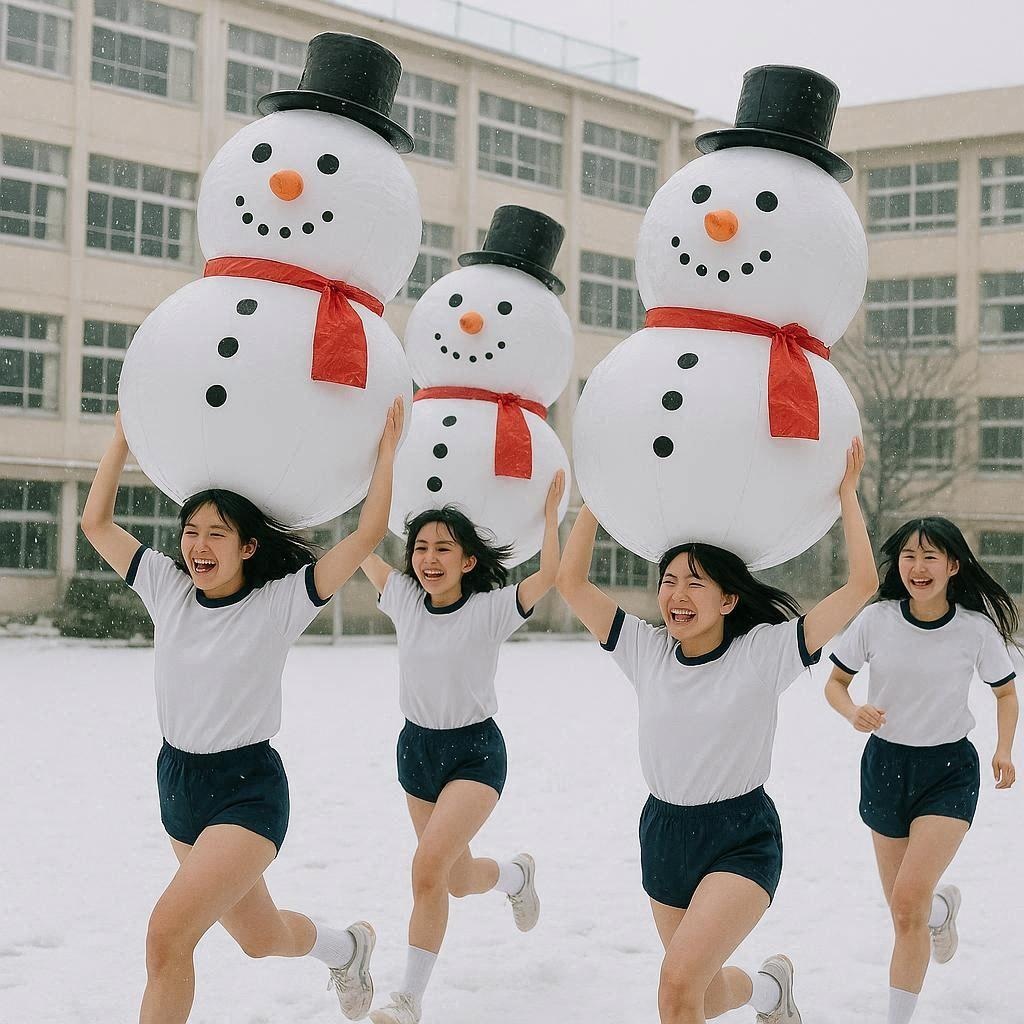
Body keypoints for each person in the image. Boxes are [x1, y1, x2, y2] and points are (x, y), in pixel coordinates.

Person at [80, 399, 404, 1024]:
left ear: (248, 546)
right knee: (258, 938)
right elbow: (96, 523)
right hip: (177, 781)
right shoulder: (168, 587)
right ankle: (348, 948)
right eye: (191, 531)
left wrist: (384, 458)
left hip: (245, 790)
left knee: (166, 937)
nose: (198, 546)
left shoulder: (279, 604)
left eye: (216, 533)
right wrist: (124, 436)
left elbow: (364, 537)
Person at [556, 439, 877, 1024]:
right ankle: (769, 993)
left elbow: (860, 587)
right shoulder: (647, 651)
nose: (676, 595)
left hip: (739, 835)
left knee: (676, 986)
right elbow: (571, 583)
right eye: (669, 580)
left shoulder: (764, 654)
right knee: (694, 995)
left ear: (729, 598)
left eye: (695, 583)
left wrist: (849, 497)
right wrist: (598, 499)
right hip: (664, 831)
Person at [359, 471, 564, 1024]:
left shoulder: (490, 609)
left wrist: (550, 520)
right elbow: (360, 545)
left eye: (443, 548)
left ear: (468, 560)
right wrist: (371, 474)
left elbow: (548, 575)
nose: (429, 557)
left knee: (427, 869)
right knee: (452, 876)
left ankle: (408, 999)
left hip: (475, 754)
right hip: (416, 751)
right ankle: (515, 877)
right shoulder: (401, 596)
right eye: (420, 547)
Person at [824, 515, 1018, 1024]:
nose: (917, 566)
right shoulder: (877, 620)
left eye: (930, 556)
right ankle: (941, 912)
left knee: (906, 902)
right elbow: (835, 685)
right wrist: (853, 712)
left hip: (949, 769)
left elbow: (1005, 693)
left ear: (954, 565)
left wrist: (1003, 749)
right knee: (905, 909)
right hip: (886, 764)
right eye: (908, 555)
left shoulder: (974, 631)